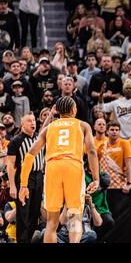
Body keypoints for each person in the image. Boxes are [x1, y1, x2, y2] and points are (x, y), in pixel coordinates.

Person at [18, 96, 100, 243]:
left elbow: (30, 154)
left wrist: (23, 184)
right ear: (73, 110)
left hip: (53, 168)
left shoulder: (49, 128)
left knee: (51, 223)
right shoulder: (82, 125)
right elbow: (92, 151)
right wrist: (95, 178)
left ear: (59, 112)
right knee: (75, 218)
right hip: (73, 167)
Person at [6, 113, 44, 243]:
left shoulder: (38, 138)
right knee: (23, 214)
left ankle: (29, 239)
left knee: (35, 213)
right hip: (24, 178)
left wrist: (50, 115)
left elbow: (44, 128)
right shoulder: (16, 141)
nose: (33, 123)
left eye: (34, 120)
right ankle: (22, 240)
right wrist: (12, 185)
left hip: (39, 176)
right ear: (22, 124)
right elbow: (10, 165)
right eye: (29, 121)